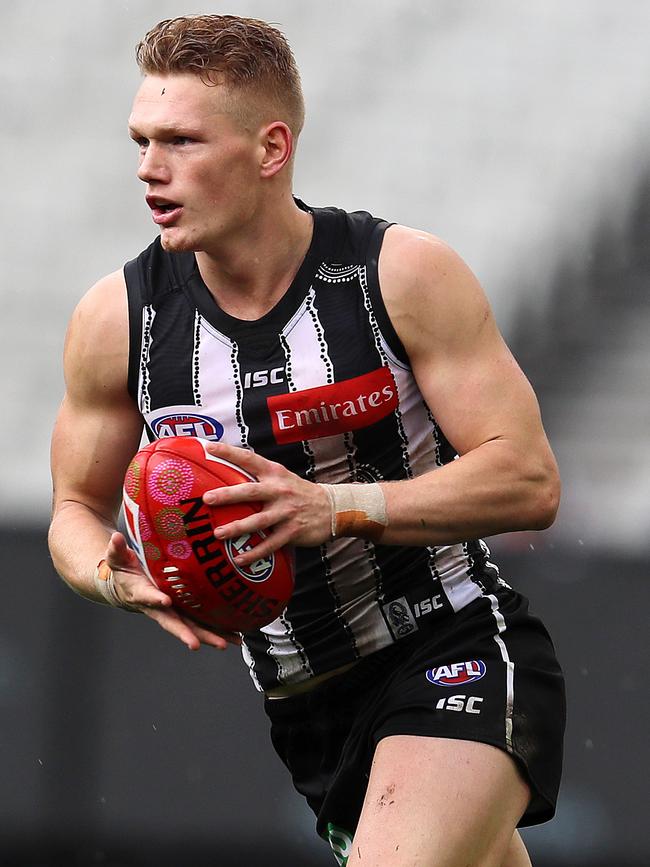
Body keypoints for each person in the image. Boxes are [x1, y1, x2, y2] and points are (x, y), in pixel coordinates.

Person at [48, 14, 565, 867]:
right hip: (309, 710)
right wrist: (112, 575)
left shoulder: (397, 273)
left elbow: (529, 479)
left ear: (270, 147)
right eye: (141, 140)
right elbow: (74, 507)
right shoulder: (118, 320)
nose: (148, 168)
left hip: (452, 642)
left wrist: (336, 507)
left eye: (180, 140)